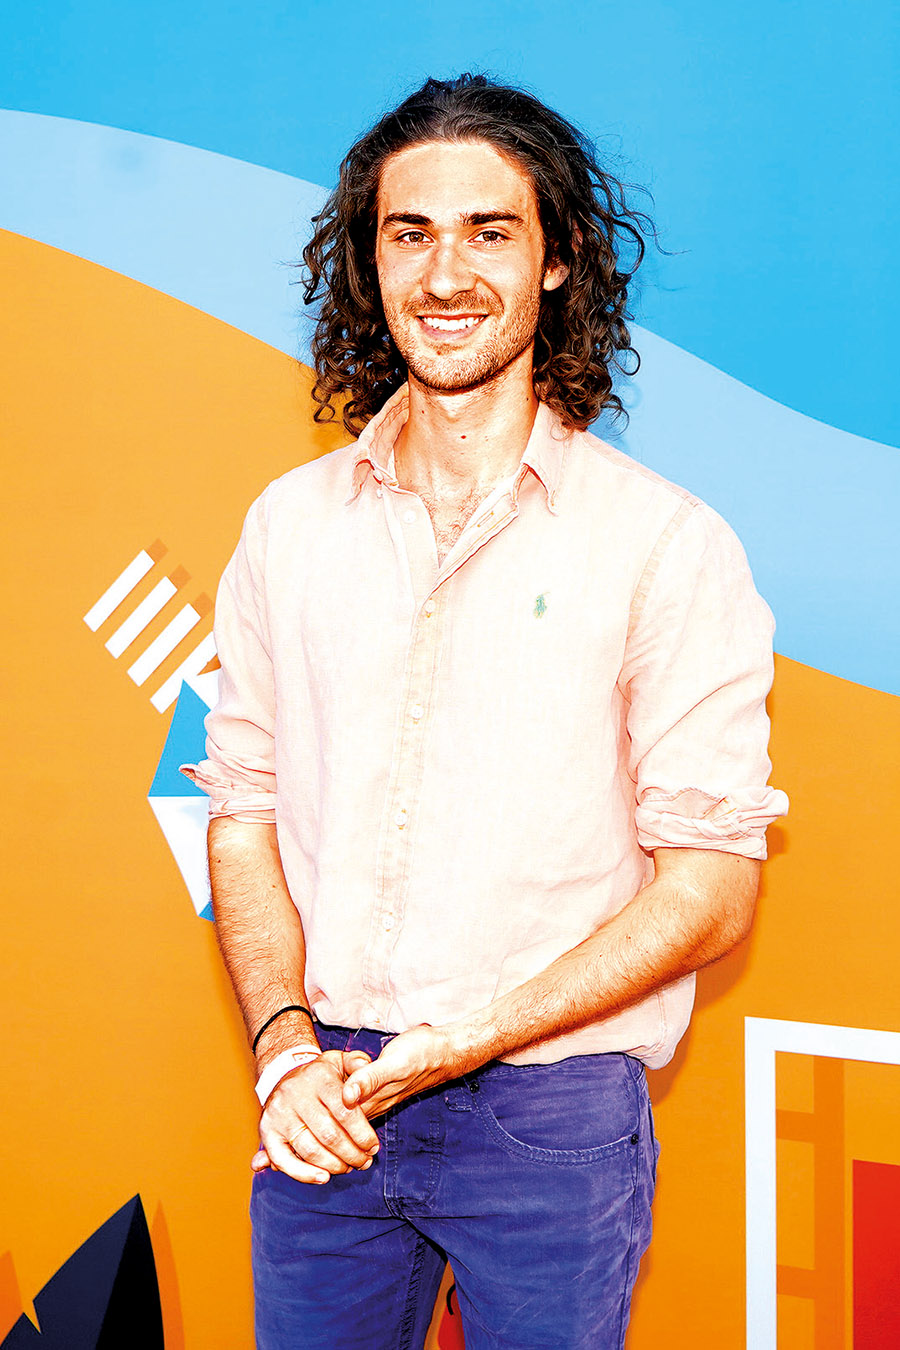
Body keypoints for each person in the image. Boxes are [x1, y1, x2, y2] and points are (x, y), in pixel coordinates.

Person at [182, 73, 788, 1349]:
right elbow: (241, 811)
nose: (445, 274)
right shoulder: (288, 527)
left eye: (488, 232)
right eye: (409, 233)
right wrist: (283, 1043)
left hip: (549, 1107)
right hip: (326, 1092)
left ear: (557, 261)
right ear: (369, 262)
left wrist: (467, 1039)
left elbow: (710, 889)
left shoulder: (665, 545)